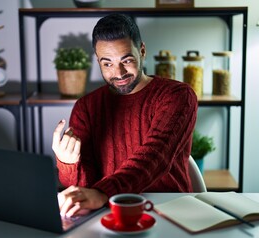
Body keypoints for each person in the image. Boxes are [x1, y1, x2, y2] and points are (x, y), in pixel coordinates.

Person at [52, 13, 198, 217]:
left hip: (169, 211)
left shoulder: (177, 96)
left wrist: (103, 192)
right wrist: (68, 163)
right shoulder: (86, 107)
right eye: (107, 64)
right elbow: (83, 188)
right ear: (98, 61)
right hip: (107, 212)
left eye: (126, 60)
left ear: (142, 51)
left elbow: (154, 157)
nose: (118, 73)